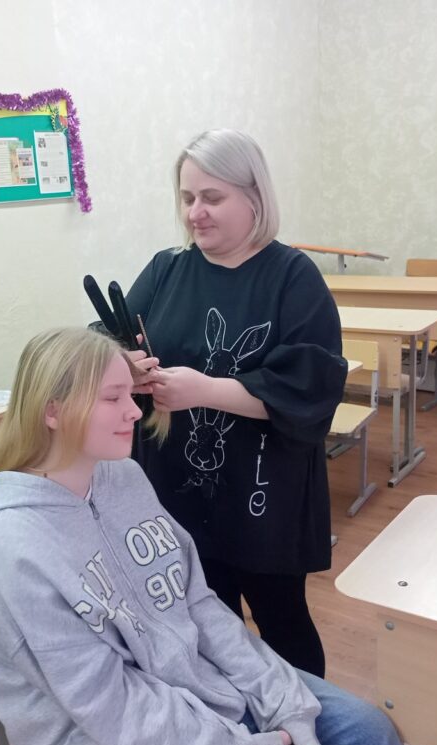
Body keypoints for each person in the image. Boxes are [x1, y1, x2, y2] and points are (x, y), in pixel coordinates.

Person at [0, 327, 405, 745]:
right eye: (112, 398)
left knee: (370, 733)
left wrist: (280, 698)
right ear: (53, 411)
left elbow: (197, 603)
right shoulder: (12, 546)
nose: (133, 412)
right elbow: (113, 708)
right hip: (106, 744)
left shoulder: (123, 477)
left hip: (202, 688)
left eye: (129, 394)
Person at [124, 129, 347, 678]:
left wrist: (203, 390)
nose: (194, 213)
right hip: (177, 491)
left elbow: (307, 389)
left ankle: (305, 717)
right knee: (206, 621)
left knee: (283, 620)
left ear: (254, 197)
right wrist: (122, 363)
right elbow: (111, 337)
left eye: (212, 197)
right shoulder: (167, 270)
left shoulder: (292, 277)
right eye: (187, 198)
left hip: (262, 497)